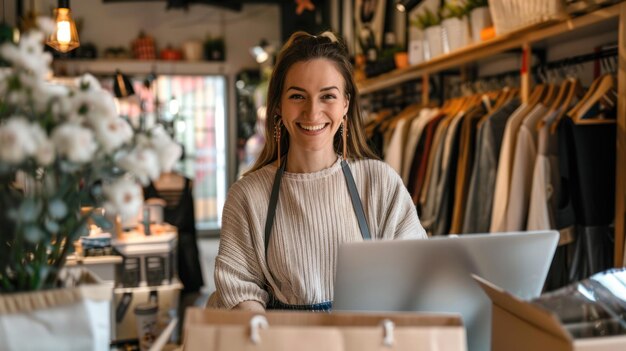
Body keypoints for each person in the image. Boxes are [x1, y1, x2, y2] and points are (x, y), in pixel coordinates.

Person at [208, 31, 427, 312]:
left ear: (345, 104)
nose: (312, 112)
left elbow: (414, 271)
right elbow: (239, 289)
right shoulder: (247, 195)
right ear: (278, 107)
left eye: (328, 96)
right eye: (298, 96)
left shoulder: (380, 183)